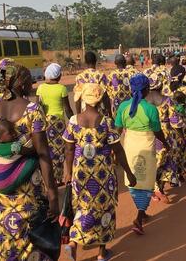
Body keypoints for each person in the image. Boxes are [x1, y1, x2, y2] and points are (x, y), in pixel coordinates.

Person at [0, 65, 59, 261]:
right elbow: (43, 155)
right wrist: (52, 194)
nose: (31, 84)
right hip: (25, 194)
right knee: (26, 247)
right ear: (21, 82)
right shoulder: (32, 110)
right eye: (29, 80)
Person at [63, 83, 136, 261]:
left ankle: (73, 244)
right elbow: (117, 150)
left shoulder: (73, 121)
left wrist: (67, 172)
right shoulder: (106, 122)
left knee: (81, 206)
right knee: (105, 208)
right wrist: (129, 173)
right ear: (100, 99)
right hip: (103, 172)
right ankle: (102, 253)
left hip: (80, 171)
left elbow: (69, 150)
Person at [115, 73, 168, 235]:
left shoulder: (123, 107)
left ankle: (142, 212)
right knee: (146, 181)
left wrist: (114, 149)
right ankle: (138, 218)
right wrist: (165, 143)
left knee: (133, 179)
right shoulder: (150, 109)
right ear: (146, 90)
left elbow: (117, 129)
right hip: (146, 145)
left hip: (129, 145)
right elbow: (157, 131)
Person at [147, 73, 186, 203]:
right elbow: (175, 121)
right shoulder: (167, 101)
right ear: (161, 85)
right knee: (167, 161)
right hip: (165, 135)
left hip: (147, 135)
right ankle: (159, 188)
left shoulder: (142, 102)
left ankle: (153, 188)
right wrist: (181, 136)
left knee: (152, 162)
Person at [36, 63, 74, 184]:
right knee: (59, 151)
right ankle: (57, 179)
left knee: (47, 150)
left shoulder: (40, 88)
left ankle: (46, 178)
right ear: (58, 76)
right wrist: (74, 121)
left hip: (45, 122)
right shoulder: (62, 88)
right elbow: (67, 109)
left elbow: (38, 107)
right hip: (58, 124)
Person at [74, 51, 111, 116]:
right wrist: (109, 113)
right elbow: (105, 96)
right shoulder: (101, 76)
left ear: (85, 62)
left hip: (85, 111)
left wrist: (78, 115)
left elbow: (77, 98)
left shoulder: (80, 77)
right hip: (98, 110)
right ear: (95, 61)